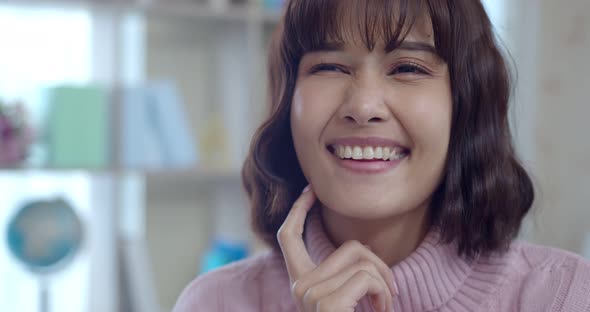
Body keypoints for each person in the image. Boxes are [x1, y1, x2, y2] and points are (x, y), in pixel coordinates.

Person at [173, 0, 590, 311]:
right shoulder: (214, 302)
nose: (364, 105)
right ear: (288, 103)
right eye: (329, 67)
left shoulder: (563, 296)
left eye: (407, 68)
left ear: (464, 104)